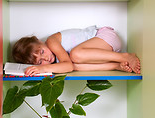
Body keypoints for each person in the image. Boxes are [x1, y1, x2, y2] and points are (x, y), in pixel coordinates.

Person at [12, 26, 140, 76]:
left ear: (41, 42)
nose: (45, 59)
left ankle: (125, 56)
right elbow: (70, 67)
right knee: (75, 66)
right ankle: (116, 65)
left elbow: (67, 65)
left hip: (106, 37)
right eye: (40, 62)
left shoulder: (51, 41)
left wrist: (42, 69)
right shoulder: (55, 62)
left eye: (42, 52)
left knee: (75, 55)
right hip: (105, 53)